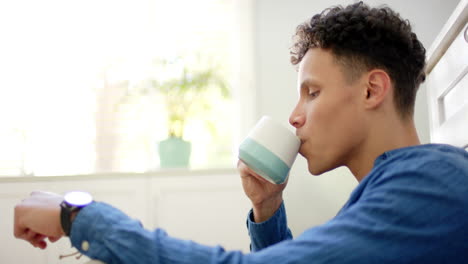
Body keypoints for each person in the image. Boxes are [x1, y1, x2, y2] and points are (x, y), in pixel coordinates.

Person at [14, 2, 468, 263]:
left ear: (372, 89)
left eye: (311, 92)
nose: (295, 116)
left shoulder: (430, 184)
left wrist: (76, 215)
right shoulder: (395, 197)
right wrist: (268, 210)